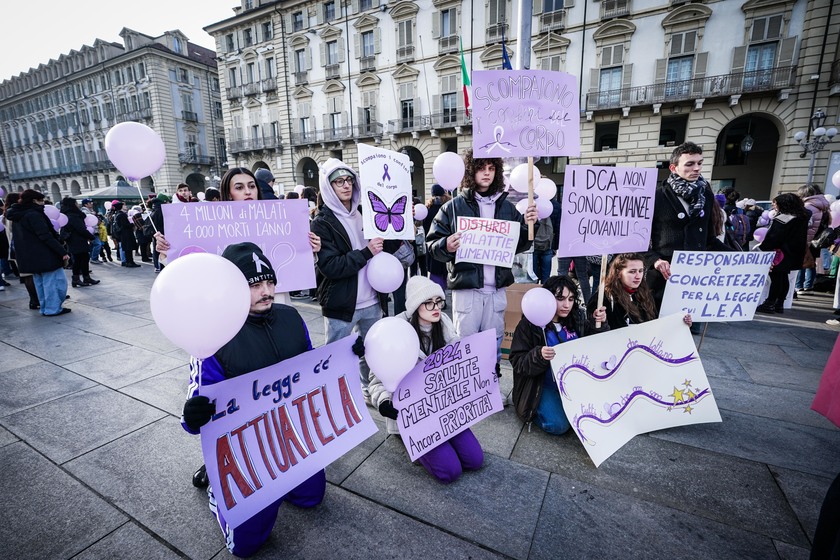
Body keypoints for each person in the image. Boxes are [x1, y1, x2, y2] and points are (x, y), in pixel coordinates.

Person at [179, 242, 326, 558]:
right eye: (255, 284)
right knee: (246, 545)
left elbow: (312, 366)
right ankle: (219, 489)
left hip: (290, 432)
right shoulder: (213, 335)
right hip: (245, 446)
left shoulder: (290, 316)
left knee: (311, 498)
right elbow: (199, 399)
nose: (267, 291)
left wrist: (340, 360)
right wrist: (193, 415)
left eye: (270, 282)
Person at [426, 149, 537, 378]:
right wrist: (446, 245)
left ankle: (488, 382)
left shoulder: (507, 208)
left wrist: (530, 226)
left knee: (493, 340)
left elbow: (520, 244)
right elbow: (431, 246)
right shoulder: (453, 207)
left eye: (491, 168)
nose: (486, 173)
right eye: (481, 168)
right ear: (471, 170)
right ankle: (464, 384)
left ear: (496, 172)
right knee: (464, 342)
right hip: (467, 288)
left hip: (496, 289)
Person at [368, 275, 483, 482]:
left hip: (443, 406)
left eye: (438, 301)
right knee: (450, 471)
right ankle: (412, 444)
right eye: (428, 303)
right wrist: (384, 402)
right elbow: (377, 379)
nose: (436, 307)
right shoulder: (395, 329)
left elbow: (460, 356)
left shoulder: (444, 323)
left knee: (475, 460)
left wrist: (482, 365)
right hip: (413, 414)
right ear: (415, 306)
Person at [311, 158, 396, 402]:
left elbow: (384, 248)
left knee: (371, 353)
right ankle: (333, 400)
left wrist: (400, 227)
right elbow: (331, 266)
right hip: (341, 304)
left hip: (372, 300)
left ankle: (369, 391)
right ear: (328, 187)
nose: (346, 186)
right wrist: (366, 252)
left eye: (349, 180)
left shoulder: (365, 214)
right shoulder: (322, 223)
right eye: (339, 181)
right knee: (336, 356)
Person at [646, 142, 730, 332]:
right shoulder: (655, 197)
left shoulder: (706, 196)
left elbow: (709, 239)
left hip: (695, 280)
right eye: (690, 164)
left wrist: (743, 259)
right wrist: (655, 261)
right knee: (658, 333)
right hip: (662, 280)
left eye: (700, 163)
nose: (697, 168)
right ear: (673, 168)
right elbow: (638, 239)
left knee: (688, 333)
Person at [509, 275, 608, 434]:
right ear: (547, 297)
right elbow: (517, 361)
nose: (566, 305)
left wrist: (599, 324)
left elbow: (596, 345)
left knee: (596, 415)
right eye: (560, 298)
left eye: (570, 299)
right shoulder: (530, 324)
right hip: (542, 385)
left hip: (573, 383)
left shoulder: (577, 317)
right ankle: (532, 410)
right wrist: (538, 355)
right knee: (558, 426)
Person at [5, 189, 71, 315]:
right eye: (40, 200)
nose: (42, 203)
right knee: (54, 282)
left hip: (29, 255)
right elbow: (45, 235)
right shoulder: (33, 214)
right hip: (44, 254)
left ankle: (45, 308)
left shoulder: (17, 215)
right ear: (34, 200)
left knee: (40, 283)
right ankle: (53, 308)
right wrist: (62, 251)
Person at [591, 253, 692, 329]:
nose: (638, 276)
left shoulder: (645, 294)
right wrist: (600, 322)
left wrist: (681, 323)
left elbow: (657, 326)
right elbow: (592, 334)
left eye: (640, 271)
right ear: (618, 273)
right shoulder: (604, 297)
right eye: (632, 271)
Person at [756, 193, 809, 314]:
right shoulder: (801, 217)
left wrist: (762, 249)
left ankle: (770, 303)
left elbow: (773, 237)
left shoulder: (783, 219)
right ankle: (779, 303)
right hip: (793, 252)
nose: (773, 205)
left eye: (775, 203)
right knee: (783, 277)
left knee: (776, 278)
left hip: (780, 252)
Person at [795, 184, 830, 295]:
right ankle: (808, 286)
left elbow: (806, 224)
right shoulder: (823, 206)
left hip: (807, 238)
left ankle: (799, 286)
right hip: (818, 239)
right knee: (811, 263)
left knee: (802, 262)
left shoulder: (809, 206)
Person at [59, 197, 100, 287]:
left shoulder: (67, 214)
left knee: (80, 259)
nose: (78, 205)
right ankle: (79, 278)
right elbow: (81, 229)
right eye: (76, 203)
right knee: (81, 260)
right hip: (78, 240)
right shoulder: (73, 216)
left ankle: (82, 278)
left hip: (75, 240)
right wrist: (91, 237)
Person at [423, 184, 451, 291]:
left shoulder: (427, 209)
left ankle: (438, 297)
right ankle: (442, 295)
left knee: (435, 274)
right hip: (446, 244)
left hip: (432, 245)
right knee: (444, 271)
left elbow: (424, 228)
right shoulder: (448, 208)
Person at [112, 202, 140, 267]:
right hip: (126, 233)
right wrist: (132, 224)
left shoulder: (117, 214)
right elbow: (124, 225)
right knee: (128, 248)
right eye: (123, 205)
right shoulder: (122, 215)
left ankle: (128, 261)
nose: (125, 206)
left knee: (127, 248)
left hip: (123, 234)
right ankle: (130, 262)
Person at [532, 215, 553, 284]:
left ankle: (534, 291)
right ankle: (545, 291)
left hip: (533, 244)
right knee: (546, 276)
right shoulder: (553, 207)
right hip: (548, 245)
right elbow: (557, 226)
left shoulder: (529, 208)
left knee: (533, 275)